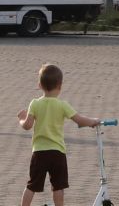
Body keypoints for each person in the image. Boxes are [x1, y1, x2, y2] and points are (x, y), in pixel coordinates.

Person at [15, 62, 103, 206]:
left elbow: (27, 126)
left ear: (40, 85)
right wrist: (93, 121)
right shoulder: (62, 105)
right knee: (58, 186)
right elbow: (79, 120)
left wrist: (21, 119)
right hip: (57, 152)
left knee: (32, 185)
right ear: (60, 86)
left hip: (39, 152)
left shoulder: (35, 103)